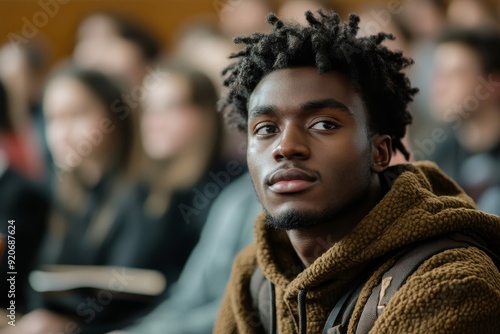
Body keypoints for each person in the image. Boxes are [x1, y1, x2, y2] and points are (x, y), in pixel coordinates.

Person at [214, 10, 500, 333]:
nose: (286, 146)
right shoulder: (254, 274)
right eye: (266, 128)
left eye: (323, 124)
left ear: (380, 153)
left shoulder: (450, 283)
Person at [1, 66, 138, 334]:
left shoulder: (145, 198)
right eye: (52, 118)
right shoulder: (57, 195)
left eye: (76, 114)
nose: (61, 131)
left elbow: (138, 300)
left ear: (115, 115)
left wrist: (72, 328)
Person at [429, 27, 500, 215]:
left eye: (456, 74)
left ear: (493, 85)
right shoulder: (439, 152)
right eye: (438, 73)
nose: (440, 86)